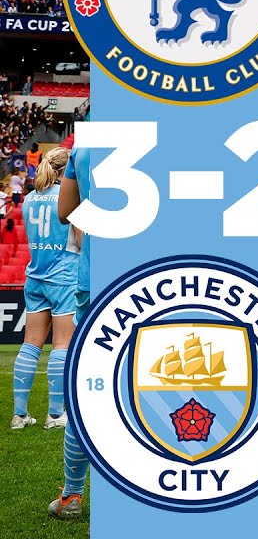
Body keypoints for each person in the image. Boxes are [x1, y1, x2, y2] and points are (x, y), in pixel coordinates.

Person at [11, 148, 75, 431]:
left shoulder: (28, 200)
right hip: (63, 277)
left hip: (35, 276)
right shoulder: (68, 199)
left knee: (30, 344)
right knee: (61, 344)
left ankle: (20, 415)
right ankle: (54, 415)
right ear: (65, 170)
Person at [48, 141, 93, 520]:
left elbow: (65, 213)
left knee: (89, 391)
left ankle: (72, 495)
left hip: (97, 281)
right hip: (158, 282)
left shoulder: (85, 147)